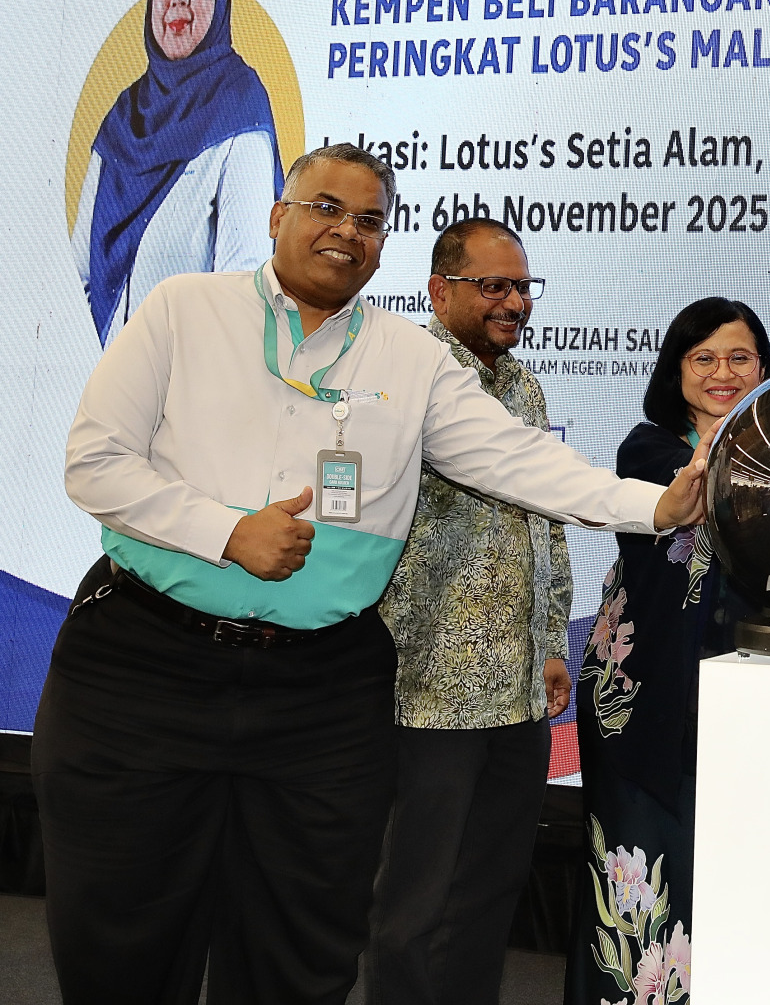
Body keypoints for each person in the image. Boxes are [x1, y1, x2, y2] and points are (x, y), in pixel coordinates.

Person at [35, 144, 706, 1005]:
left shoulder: (410, 360)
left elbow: (519, 462)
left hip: (318, 691)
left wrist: (656, 505)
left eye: (368, 220)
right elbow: (95, 464)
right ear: (277, 216)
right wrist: (226, 533)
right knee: (122, 941)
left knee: (299, 952)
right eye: (326, 207)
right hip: (145, 667)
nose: (346, 231)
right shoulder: (182, 310)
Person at [366, 218, 570, 1005]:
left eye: (522, 286)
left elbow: (545, 518)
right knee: (413, 906)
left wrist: (549, 640)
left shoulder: (523, 386)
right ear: (438, 290)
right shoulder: (404, 377)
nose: (513, 302)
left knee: (487, 895)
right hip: (426, 695)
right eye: (493, 286)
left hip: (515, 698)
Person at [566, 297, 770, 1005]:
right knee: (638, 884)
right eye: (703, 358)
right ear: (675, 372)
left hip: (742, 697)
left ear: (764, 368)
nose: (722, 372)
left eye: (739, 358)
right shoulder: (647, 449)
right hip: (641, 701)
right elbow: (716, 488)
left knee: (729, 878)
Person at [73, 0, 281, 345]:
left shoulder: (239, 107)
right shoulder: (124, 117)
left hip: (189, 380)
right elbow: (77, 277)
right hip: (98, 376)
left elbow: (242, 296)